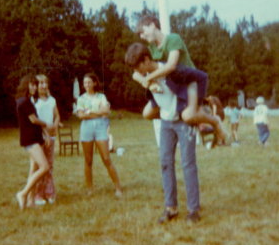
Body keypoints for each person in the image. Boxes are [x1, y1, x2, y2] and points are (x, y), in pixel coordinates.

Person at [125, 43, 201, 224]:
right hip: (166, 122)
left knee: (187, 164)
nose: (136, 71)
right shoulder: (144, 74)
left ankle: (193, 210)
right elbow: (135, 75)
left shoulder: (170, 70)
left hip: (183, 121)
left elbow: (193, 87)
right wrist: (146, 81)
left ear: (146, 59)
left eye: (138, 66)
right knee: (165, 163)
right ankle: (171, 208)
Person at [133, 15, 226, 144]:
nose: (142, 37)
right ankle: (187, 117)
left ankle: (214, 120)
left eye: (142, 32)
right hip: (173, 87)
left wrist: (148, 78)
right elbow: (136, 73)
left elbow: (171, 66)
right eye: (140, 35)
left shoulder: (173, 39)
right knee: (147, 113)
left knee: (188, 116)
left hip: (190, 82)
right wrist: (148, 84)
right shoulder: (151, 49)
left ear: (152, 25)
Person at [76, 73, 122, 197]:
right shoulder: (81, 99)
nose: (86, 85)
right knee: (88, 160)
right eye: (85, 83)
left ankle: (118, 187)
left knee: (106, 159)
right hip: (86, 129)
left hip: (101, 127)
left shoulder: (101, 96)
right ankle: (90, 188)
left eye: (89, 82)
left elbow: (106, 111)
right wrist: (98, 113)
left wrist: (89, 112)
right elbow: (81, 115)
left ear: (95, 83)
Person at [15, 74, 50, 210]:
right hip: (30, 140)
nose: (34, 87)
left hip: (35, 138)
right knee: (44, 167)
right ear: (25, 85)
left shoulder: (27, 100)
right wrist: (47, 125)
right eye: (32, 84)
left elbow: (35, 122)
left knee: (33, 169)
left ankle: (30, 201)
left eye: (35, 84)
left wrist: (44, 134)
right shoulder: (24, 101)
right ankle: (23, 194)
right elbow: (34, 120)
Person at [33, 74, 63, 206]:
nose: (44, 85)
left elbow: (57, 115)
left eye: (45, 83)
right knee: (40, 166)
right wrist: (44, 132)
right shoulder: (33, 101)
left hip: (51, 136)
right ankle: (38, 194)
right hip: (39, 137)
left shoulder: (52, 100)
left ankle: (49, 192)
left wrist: (55, 125)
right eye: (40, 83)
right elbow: (34, 121)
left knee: (49, 166)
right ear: (35, 85)